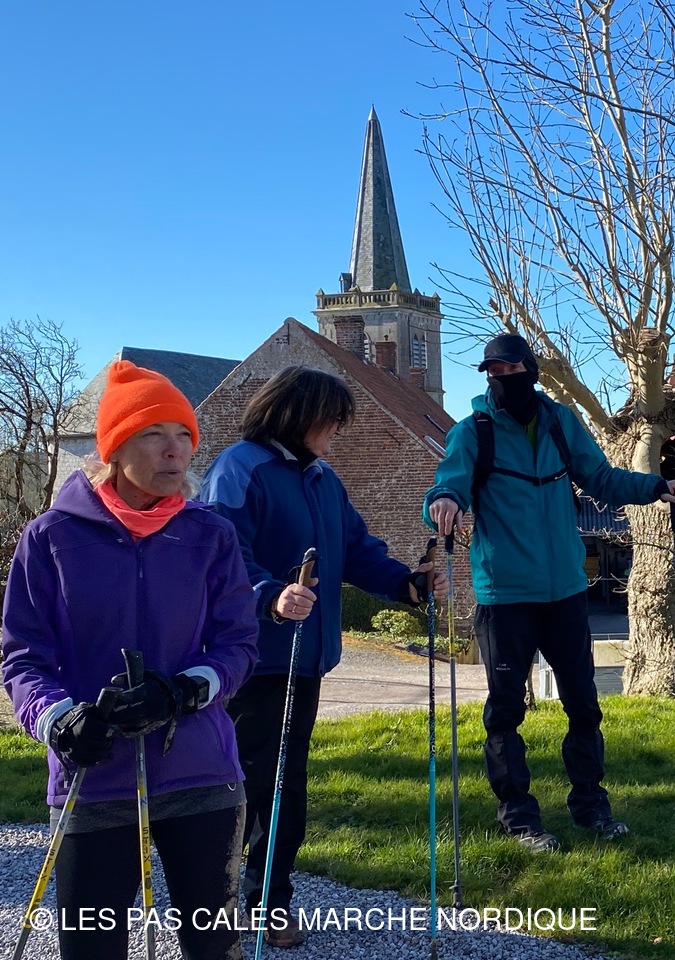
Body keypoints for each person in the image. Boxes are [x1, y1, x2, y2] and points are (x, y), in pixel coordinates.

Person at [2, 360, 258, 960]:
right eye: (154, 434)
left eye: (184, 435)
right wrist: (59, 719)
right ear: (114, 448)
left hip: (201, 773)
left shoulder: (210, 535)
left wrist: (185, 690)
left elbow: (238, 645)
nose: (176, 451)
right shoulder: (51, 537)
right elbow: (22, 658)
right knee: (91, 947)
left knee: (214, 946)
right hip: (92, 778)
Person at [199, 366, 444, 948]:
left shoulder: (321, 477)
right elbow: (221, 554)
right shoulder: (238, 468)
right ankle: (231, 903)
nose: (337, 430)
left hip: (304, 660)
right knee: (253, 785)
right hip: (253, 660)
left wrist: (405, 584)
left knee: (286, 786)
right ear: (298, 414)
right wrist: (270, 596)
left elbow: (354, 549)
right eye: (331, 419)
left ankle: (268, 900)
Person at [424, 332, 675, 851]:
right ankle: (519, 817)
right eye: (493, 373)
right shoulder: (472, 432)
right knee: (505, 712)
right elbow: (446, 484)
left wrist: (656, 487)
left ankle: (591, 806)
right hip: (504, 595)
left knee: (584, 705)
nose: (501, 380)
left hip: (565, 590)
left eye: (510, 370)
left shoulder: (561, 422)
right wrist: (444, 503)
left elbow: (602, 479)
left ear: (531, 370)